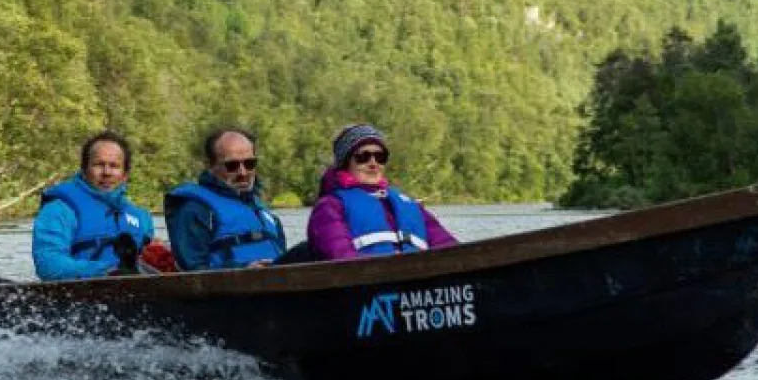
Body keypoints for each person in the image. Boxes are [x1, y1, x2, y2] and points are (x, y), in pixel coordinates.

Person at [306, 123, 459, 260]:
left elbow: (450, 249)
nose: (373, 163)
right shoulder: (330, 207)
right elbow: (340, 255)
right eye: (363, 157)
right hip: (368, 285)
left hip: (419, 284)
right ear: (346, 163)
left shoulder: (410, 205)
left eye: (380, 157)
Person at [32, 131, 159, 280]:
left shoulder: (141, 218)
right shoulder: (59, 210)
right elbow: (48, 265)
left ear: (125, 175)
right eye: (99, 164)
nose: (106, 172)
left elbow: (155, 262)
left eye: (114, 166)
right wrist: (108, 271)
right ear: (85, 170)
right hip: (81, 296)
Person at [164, 127, 286, 271]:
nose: (243, 172)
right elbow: (193, 270)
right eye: (232, 165)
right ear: (210, 165)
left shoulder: (265, 213)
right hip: (230, 290)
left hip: (278, 285)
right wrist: (242, 270)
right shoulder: (194, 209)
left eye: (249, 164)